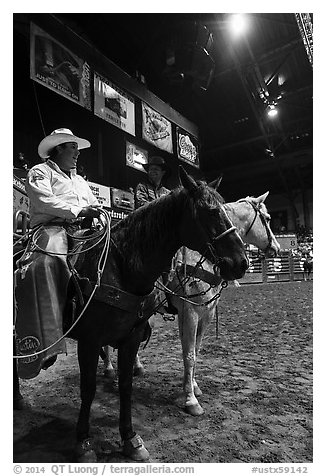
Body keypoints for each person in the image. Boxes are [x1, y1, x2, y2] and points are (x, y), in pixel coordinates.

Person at [14, 128, 101, 379]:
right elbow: (44, 202)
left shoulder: (80, 180)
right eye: (73, 148)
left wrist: (96, 212)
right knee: (46, 261)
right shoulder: (39, 172)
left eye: (77, 149)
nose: (77, 154)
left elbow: (92, 204)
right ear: (59, 148)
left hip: (82, 229)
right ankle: (48, 339)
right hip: (51, 228)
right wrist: (80, 211)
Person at [135, 156, 177, 316]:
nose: (152, 172)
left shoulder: (167, 193)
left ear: (162, 172)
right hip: (145, 233)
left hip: (163, 237)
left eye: (156, 169)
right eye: (150, 169)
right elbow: (142, 207)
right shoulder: (141, 187)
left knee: (168, 267)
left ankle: (169, 299)